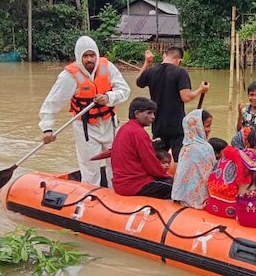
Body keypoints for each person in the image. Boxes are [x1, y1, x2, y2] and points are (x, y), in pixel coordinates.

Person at [38, 36, 130, 187]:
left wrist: (108, 97)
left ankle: (117, 194)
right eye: (85, 56)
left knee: (116, 162)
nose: (89, 60)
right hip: (86, 128)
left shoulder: (107, 67)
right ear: (79, 57)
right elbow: (51, 104)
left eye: (92, 55)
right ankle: (90, 196)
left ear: (97, 55)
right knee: (90, 167)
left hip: (109, 123)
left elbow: (124, 90)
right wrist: (47, 128)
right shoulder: (68, 76)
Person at [136, 46, 209, 160]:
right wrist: (200, 90)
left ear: (164, 56)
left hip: (157, 122)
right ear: (179, 60)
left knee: (159, 158)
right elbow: (186, 97)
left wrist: (147, 62)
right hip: (176, 124)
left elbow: (139, 82)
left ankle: (159, 177)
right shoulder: (180, 72)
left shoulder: (151, 71)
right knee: (178, 158)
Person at [110, 98, 173, 198]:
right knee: (176, 187)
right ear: (137, 113)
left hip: (120, 183)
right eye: (149, 113)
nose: (153, 117)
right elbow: (150, 162)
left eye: (153, 113)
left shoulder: (124, 128)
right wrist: (167, 176)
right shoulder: (139, 133)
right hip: (135, 185)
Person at [172, 110, 216, 209]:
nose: (210, 129)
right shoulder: (205, 148)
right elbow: (210, 175)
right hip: (198, 200)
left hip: (180, 197)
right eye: (207, 126)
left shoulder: (185, 147)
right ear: (198, 127)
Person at [232, 81, 256, 148]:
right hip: (245, 144)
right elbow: (239, 130)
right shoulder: (244, 111)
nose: (254, 98)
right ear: (248, 95)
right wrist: (240, 115)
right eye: (251, 95)